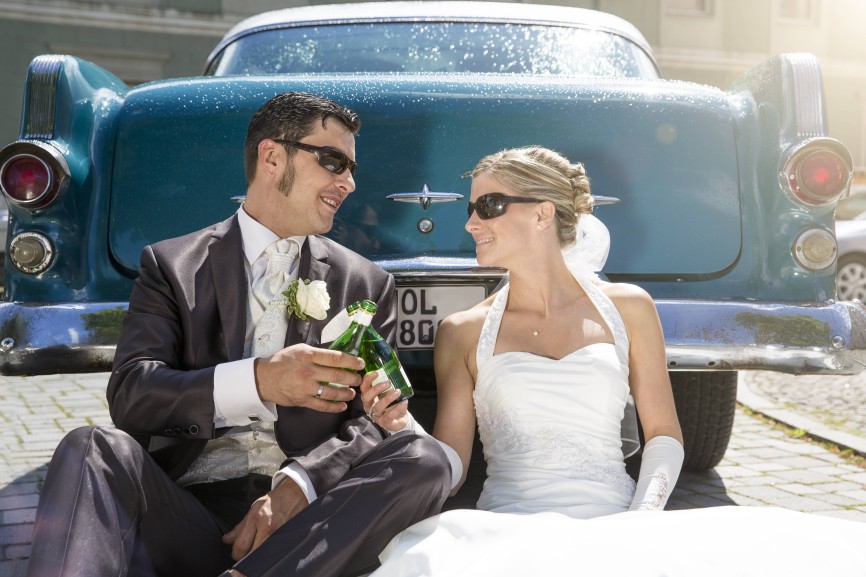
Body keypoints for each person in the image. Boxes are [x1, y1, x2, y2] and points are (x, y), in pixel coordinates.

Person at [362, 146, 866, 577]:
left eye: (489, 206)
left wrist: (641, 521)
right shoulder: (462, 331)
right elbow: (453, 466)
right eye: (472, 209)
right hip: (508, 530)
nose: (471, 222)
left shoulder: (629, 307)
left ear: (543, 213)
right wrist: (404, 426)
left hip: (618, 519)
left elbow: (664, 435)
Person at [26, 92, 451, 577]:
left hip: (312, 524)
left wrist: (299, 484)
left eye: (352, 168)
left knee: (424, 457)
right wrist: (260, 381)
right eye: (334, 161)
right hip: (189, 513)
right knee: (91, 447)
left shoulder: (365, 283)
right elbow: (132, 395)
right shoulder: (172, 265)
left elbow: (371, 422)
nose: (349, 183)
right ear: (272, 157)